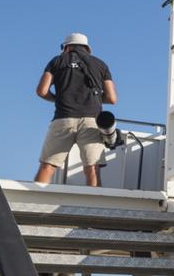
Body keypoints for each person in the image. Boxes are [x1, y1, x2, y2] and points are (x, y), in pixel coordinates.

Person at [34, 33, 117, 187]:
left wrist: (58, 98)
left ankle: (33, 203)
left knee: (47, 166)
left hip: (63, 118)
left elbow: (41, 91)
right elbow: (112, 98)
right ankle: (94, 207)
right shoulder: (100, 64)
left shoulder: (57, 61)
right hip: (92, 121)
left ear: (66, 47)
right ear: (87, 48)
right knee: (92, 167)